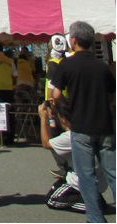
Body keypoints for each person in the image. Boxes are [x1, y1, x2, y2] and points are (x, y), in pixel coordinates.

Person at [50, 20, 116, 223]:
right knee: (113, 173)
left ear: (74, 40)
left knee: (86, 176)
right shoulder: (102, 66)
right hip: (104, 125)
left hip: (81, 126)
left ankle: (96, 218)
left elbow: (56, 93)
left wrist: (67, 106)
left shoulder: (66, 65)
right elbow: (112, 96)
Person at [39, 97, 108, 214]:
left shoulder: (71, 136)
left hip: (80, 182)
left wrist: (43, 118)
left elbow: (46, 143)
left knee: (52, 200)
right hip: (97, 181)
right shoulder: (88, 128)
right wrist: (56, 107)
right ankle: (93, 200)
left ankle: (93, 205)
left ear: (63, 119)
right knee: (56, 188)